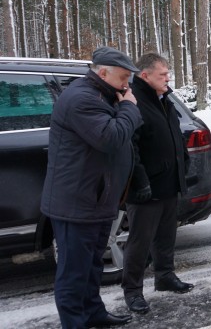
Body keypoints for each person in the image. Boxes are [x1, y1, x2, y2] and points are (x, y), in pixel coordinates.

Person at [40, 46, 142, 328]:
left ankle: (93, 312)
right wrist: (129, 107)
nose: (127, 84)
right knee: (73, 272)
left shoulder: (106, 94)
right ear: (103, 72)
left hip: (96, 198)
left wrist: (125, 106)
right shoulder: (82, 99)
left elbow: (128, 130)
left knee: (92, 264)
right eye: (123, 77)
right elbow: (111, 137)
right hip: (77, 202)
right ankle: (75, 323)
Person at [122, 54, 193, 315]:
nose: (168, 78)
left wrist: (183, 163)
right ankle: (132, 291)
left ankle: (164, 276)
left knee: (166, 236)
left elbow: (175, 133)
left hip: (169, 182)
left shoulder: (163, 100)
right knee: (139, 242)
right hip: (146, 188)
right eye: (163, 74)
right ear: (145, 75)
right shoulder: (135, 102)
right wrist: (140, 182)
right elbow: (130, 148)